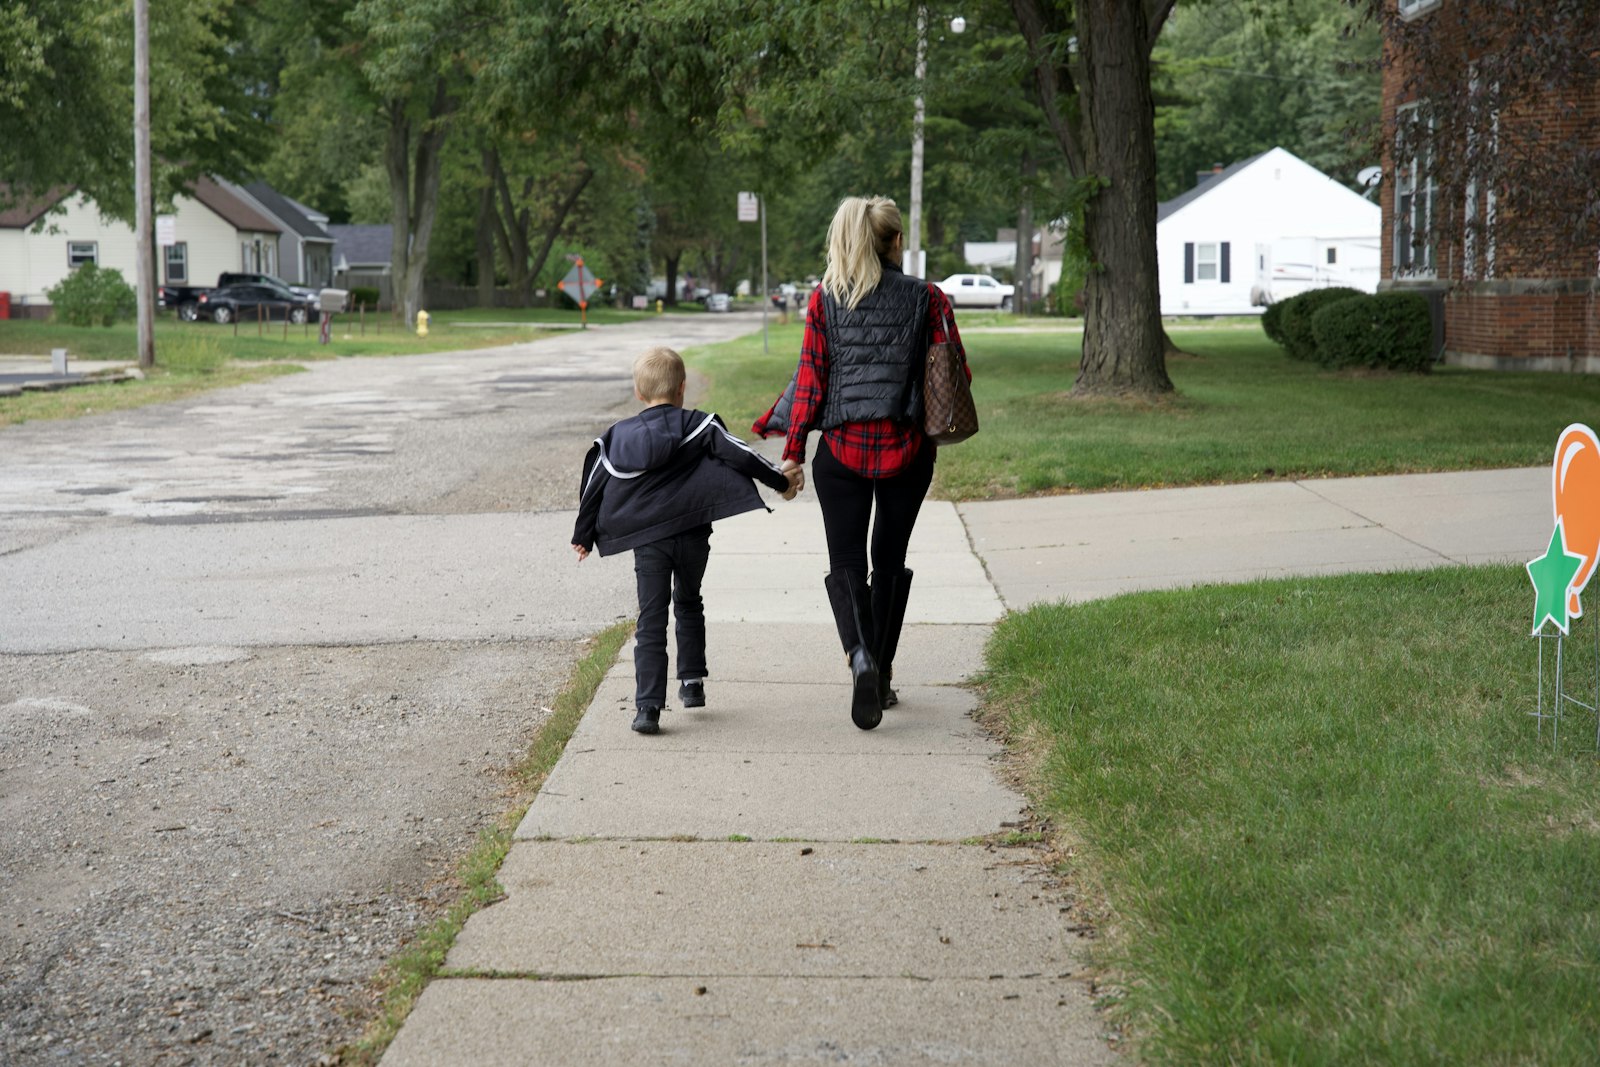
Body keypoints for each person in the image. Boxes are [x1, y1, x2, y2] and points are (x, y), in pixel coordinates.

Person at [756, 195, 968, 731]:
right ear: (896, 242)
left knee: (846, 560)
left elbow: (810, 380)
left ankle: (859, 658)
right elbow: (953, 373)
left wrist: (792, 453)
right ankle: (885, 670)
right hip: (908, 451)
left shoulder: (825, 300)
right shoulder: (930, 298)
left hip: (841, 455)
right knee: (889, 561)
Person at [574, 347, 801, 734]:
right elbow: (742, 455)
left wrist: (583, 535)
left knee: (651, 618)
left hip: (650, 543)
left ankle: (647, 708)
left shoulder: (618, 438)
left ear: (638, 392)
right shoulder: (700, 424)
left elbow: (595, 483)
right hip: (694, 535)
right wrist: (780, 481)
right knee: (689, 601)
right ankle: (692, 683)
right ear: (682, 388)